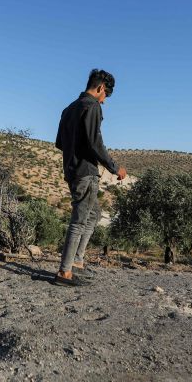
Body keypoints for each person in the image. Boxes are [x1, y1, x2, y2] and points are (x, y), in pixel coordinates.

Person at [54, 69, 127, 286]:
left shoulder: (69, 109)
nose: (104, 101)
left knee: (94, 214)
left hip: (72, 170)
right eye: (106, 96)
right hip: (85, 172)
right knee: (79, 220)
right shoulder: (92, 105)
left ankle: (76, 262)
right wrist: (115, 168)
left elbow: (60, 143)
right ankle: (64, 272)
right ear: (101, 88)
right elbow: (95, 143)